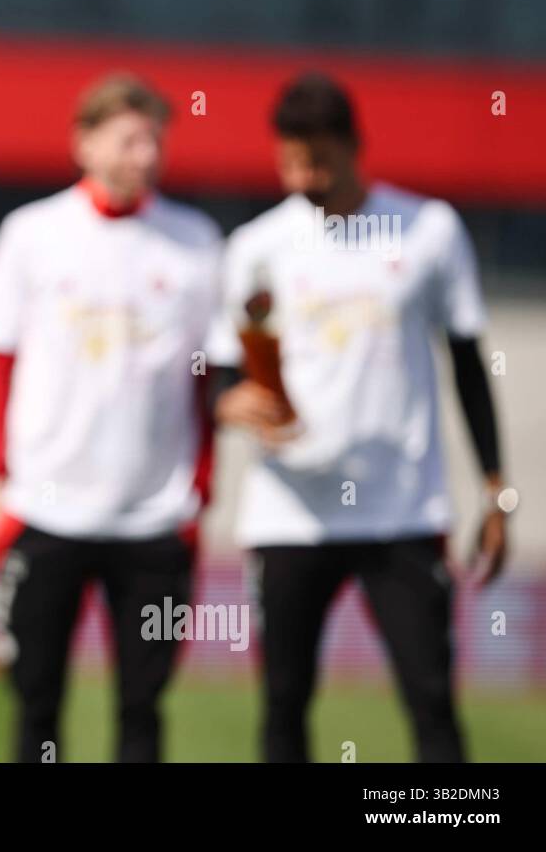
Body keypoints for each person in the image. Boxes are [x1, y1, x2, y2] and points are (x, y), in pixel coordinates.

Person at [206, 73, 509, 762]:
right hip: (290, 510)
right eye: (288, 160)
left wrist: (496, 486)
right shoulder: (257, 245)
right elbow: (226, 373)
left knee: (432, 699)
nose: (302, 175)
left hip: (403, 508)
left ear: (351, 147)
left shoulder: (429, 229)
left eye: (316, 159)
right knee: (284, 701)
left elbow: (467, 362)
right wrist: (231, 402)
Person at [0, 74, 222, 762]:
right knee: (35, 699)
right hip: (45, 510)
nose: (144, 154)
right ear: (84, 142)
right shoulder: (33, 233)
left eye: (154, 141)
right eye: (129, 138)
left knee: (142, 706)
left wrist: (201, 488)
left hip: (155, 517)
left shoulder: (195, 241)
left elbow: (214, 378)